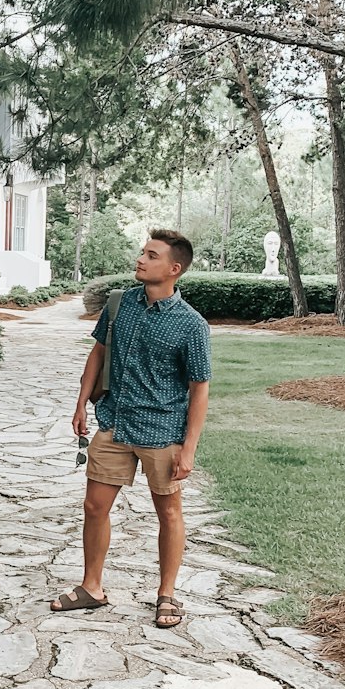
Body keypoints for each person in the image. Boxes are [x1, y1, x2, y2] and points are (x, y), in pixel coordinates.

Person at [51, 229, 212, 629]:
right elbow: (99, 352)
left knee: (169, 513)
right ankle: (92, 587)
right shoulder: (120, 304)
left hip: (163, 432)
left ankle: (167, 594)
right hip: (114, 423)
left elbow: (199, 388)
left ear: (174, 269)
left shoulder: (192, 325)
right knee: (94, 507)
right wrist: (81, 401)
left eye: (151, 255)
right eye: (142, 252)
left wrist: (189, 448)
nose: (141, 259)